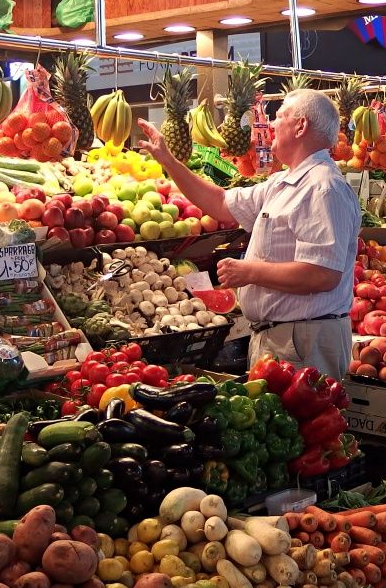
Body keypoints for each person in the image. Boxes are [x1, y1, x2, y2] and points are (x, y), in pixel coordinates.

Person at [136, 89, 360, 379]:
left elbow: (322, 274)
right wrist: (168, 161)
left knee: (303, 423)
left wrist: (249, 272)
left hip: (304, 340)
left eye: (280, 117)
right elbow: (220, 203)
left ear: (301, 126)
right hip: (283, 338)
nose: (271, 125)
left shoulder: (322, 188)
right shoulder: (283, 183)